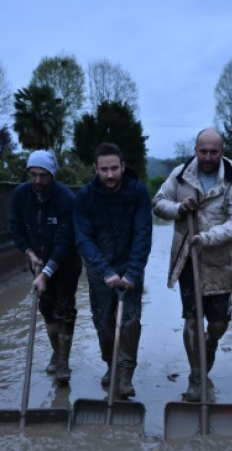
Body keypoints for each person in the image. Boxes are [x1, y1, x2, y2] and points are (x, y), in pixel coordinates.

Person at [152, 128, 232, 402]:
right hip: (189, 259)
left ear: (222, 152)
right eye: (203, 151)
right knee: (192, 318)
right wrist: (179, 209)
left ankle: (210, 344)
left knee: (218, 323)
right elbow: (158, 203)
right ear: (196, 150)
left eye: (214, 151)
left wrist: (207, 238)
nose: (208, 156)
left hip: (222, 263)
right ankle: (196, 377)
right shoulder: (180, 175)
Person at [73, 142, 152, 398]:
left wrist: (132, 271)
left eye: (114, 169)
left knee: (129, 322)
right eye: (104, 169)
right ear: (95, 169)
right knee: (104, 324)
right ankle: (111, 364)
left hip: (130, 269)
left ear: (122, 167)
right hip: (100, 271)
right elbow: (83, 238)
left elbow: (143, 234)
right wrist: (104, 271)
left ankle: (125, 375)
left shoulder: (138, 193)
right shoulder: (85, 197)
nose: (109, 175)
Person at [8, 149, 83, 384]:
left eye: (43, 175)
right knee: (47, 310)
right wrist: (29, 252)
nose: (37, 180)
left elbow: (65, 241)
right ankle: (56, 352)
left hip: (66, 262)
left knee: (65, 311)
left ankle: (63, 362)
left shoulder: (66, 199)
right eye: (33, 174)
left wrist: (48, 272)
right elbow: (16, 226)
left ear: (52, 174)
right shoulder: (21, 195)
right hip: (38, 261)